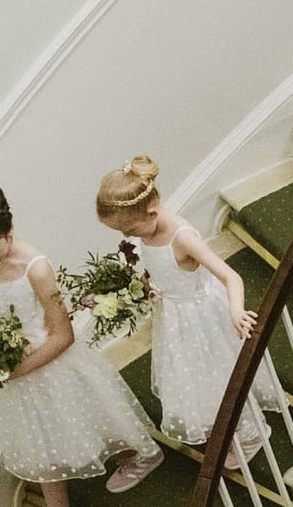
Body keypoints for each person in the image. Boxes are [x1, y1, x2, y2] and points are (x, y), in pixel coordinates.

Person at [0, 177, 163, 507]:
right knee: (40, 442)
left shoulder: (37, 268)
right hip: (18, 365)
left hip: (51, 359)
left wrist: (17, 371)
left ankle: (143, 454)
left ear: (10, 230)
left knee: (88, 416)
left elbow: (62, 335)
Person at [94, 155, 282, 468]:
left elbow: (230, 276)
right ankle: (229, 423)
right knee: (197, 375)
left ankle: (250, 430)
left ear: (151, 210)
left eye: (129, 229)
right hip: (176, 316)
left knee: (220, 372)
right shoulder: (148, 230)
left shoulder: (182, 238)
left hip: (202, 316)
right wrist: (148, 285)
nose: (126, 236)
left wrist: (236, 311)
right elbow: (159, 269)